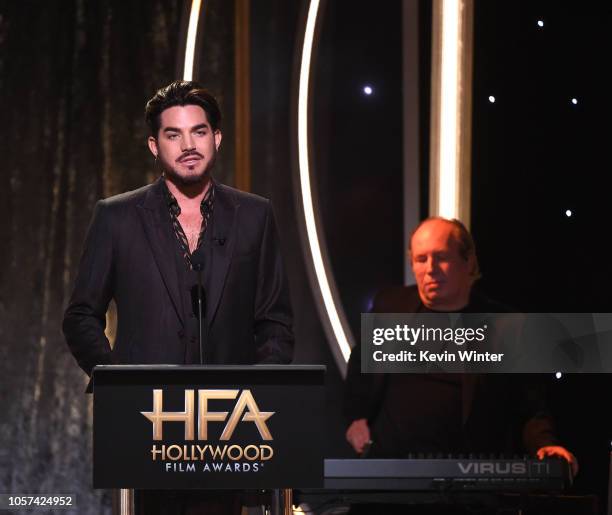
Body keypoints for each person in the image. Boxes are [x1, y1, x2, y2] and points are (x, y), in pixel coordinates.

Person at [63, 80, 294, 514]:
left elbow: (275, 321)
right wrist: (120, 382)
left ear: (217, 138)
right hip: (147, 430)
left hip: (233, 434)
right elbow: (80, 315)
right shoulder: (116, 217)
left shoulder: (255, 216)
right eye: (174, 134)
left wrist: (257, 397)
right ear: (154, 145)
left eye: (199, 131)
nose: (188, 145)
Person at [345, 217, 577, 475]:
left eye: (441, 257)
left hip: (466, 482)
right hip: (390, 475)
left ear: (468, 262)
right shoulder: (389, 306)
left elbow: (531, 406)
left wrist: (546, 445)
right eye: (421, 259)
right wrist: (357, 418)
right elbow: (359, 371)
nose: (430, 268)